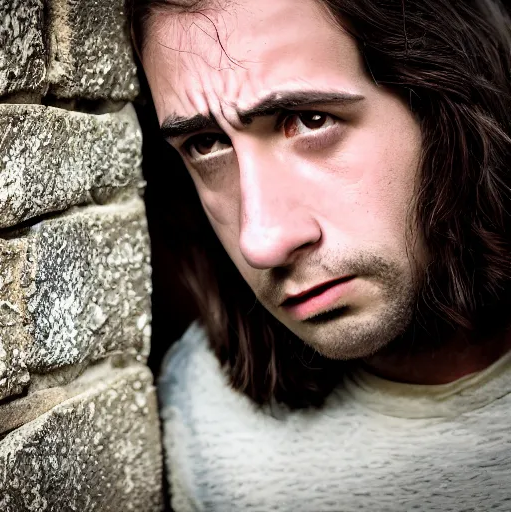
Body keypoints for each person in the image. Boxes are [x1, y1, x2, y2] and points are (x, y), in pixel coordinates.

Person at [129, 0, 511, 510]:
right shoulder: (198, 407)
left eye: (310, 120)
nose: (261, 241)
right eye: (206, 144)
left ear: (448, 111)